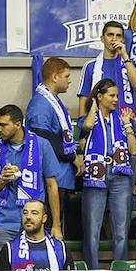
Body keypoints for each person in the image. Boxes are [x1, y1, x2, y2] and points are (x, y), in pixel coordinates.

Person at [0, 104, 62, 262]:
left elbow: (52, 186)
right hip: (4, 222)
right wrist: (2, 181)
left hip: (34, 222)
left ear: (18, 124)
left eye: (3, 125)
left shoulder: (41, 145)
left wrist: (56, 225)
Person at [78, 77, 136, 270]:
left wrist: (128, 126)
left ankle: (119, 269)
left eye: (117, 96)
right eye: (111, 96)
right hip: (97, 174)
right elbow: (85, 128)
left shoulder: (122, 118)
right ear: (99, 96)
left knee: (121, 230)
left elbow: (134, 150)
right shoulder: (88, 119)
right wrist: (93, 108)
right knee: (92, 230)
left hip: (120, 175)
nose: (115, 100)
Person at [26, 56, 81, 241]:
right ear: (55, 77)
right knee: (49, 231)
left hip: (61, 176)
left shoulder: (52, 100)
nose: (70, 80)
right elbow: (44, 139)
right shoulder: (41, 103)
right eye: (66, 75)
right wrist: (72, 156)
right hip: (52, 178)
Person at [77, 19, 136, 120]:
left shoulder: (129, 64)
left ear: (122, 40)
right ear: (102, 38)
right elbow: (84, 98)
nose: (114, 39)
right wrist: (83, 128)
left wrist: (124, 55)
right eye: (110, 35)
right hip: (100, 123)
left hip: (126, 122)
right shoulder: (91, 66)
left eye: (118, 36)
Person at [0, 199, 68, 271]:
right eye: (25, 213)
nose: (28, 217)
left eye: (34, 213)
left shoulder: (61, 248)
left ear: (44, 218)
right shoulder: (9, 249)